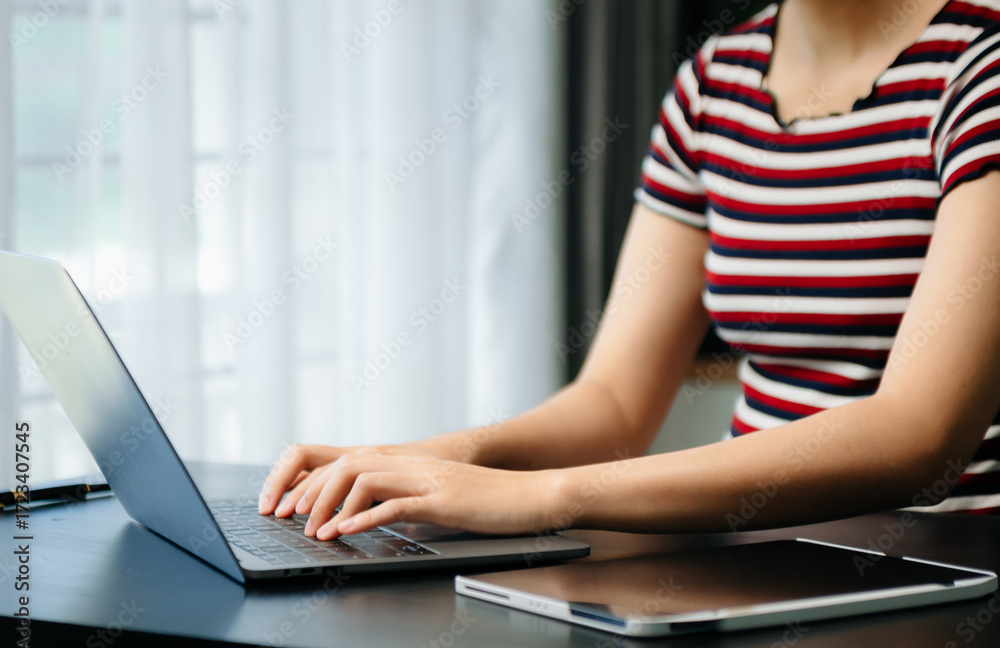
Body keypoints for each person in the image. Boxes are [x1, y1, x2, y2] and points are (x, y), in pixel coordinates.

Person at [258, 0, 1000, 540]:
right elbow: (613, 404)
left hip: (944, 571)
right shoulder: (714, 85)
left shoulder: (979, 71)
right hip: (758, 556)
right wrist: (431, 459)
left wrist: (543, 497)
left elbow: (918, 436)